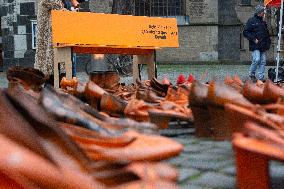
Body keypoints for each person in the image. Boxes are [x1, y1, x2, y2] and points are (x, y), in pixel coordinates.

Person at [34, 0, 80, 84]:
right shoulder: (51, 2)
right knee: (55, 77)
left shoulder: (64, 2)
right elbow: (61, 10)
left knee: (65, 74)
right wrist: (72, 11)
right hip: (53, 45)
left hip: (64, 42)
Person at [243, 5, 271, 82]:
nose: (264, 13)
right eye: (263, 12)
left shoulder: (263, 22)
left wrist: (268, 43)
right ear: (259, 12)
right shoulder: (251, 21)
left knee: (263, 61)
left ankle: (261, 78)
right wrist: (253, 39)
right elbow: (245, 32)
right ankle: (251, 73)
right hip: (255, 45)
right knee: (256, 59)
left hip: (263, 45)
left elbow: (266, 34)